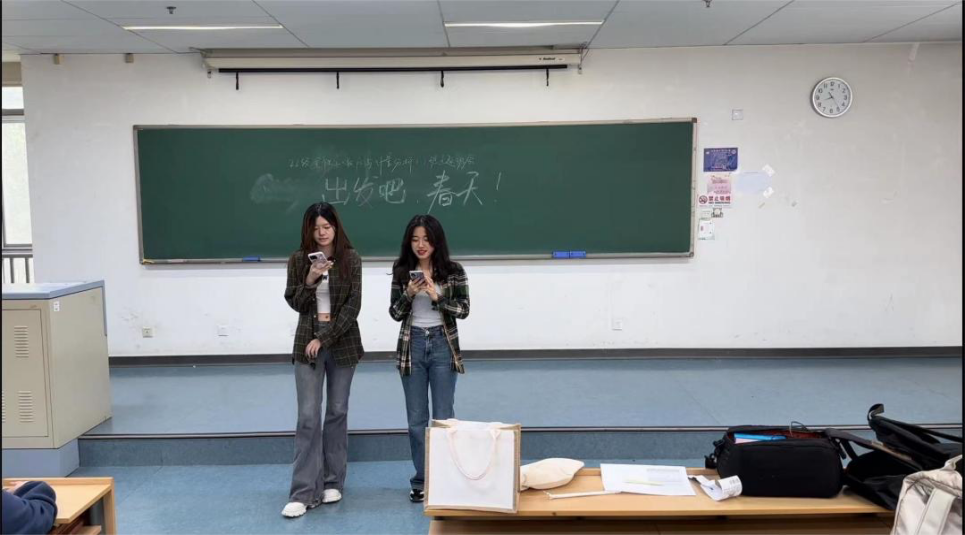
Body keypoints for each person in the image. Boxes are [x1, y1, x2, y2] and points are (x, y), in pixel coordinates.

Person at [281, 202, 363, 518]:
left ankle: (332, 481)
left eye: (326, 227)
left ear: (336, 227)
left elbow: (353, 307)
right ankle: (303, 492)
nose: (322, 233)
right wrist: (310, 279)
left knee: (337, 412)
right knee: (307, 416)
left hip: (342, 344)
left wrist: (325, 339)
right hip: (307, 344)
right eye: (315, 228)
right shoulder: (299, 259)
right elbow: (296, 302)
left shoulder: (351, 259)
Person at [389, 214, 470, 502]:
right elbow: (395, 313)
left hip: (442, 343)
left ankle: (446, 476)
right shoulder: (402, 270)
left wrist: (437, 296)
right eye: (415, 239)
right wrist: (409, 293)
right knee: (416, 419)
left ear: (436, 241)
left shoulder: (453, 271)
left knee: (444, 417)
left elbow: (463, 310)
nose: (420, 245)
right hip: (412, 344)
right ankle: (422, 479)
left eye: (426, 239)